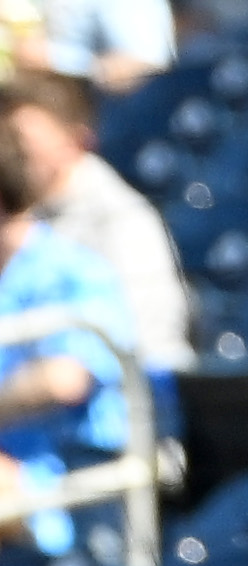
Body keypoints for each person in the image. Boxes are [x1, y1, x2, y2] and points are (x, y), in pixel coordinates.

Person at [0, 75, 184, 403]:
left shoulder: (122, 218)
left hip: (132, 412)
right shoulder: (20, 222)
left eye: (22, 144)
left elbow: (132, 342)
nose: (12, 155)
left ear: (77, 140)